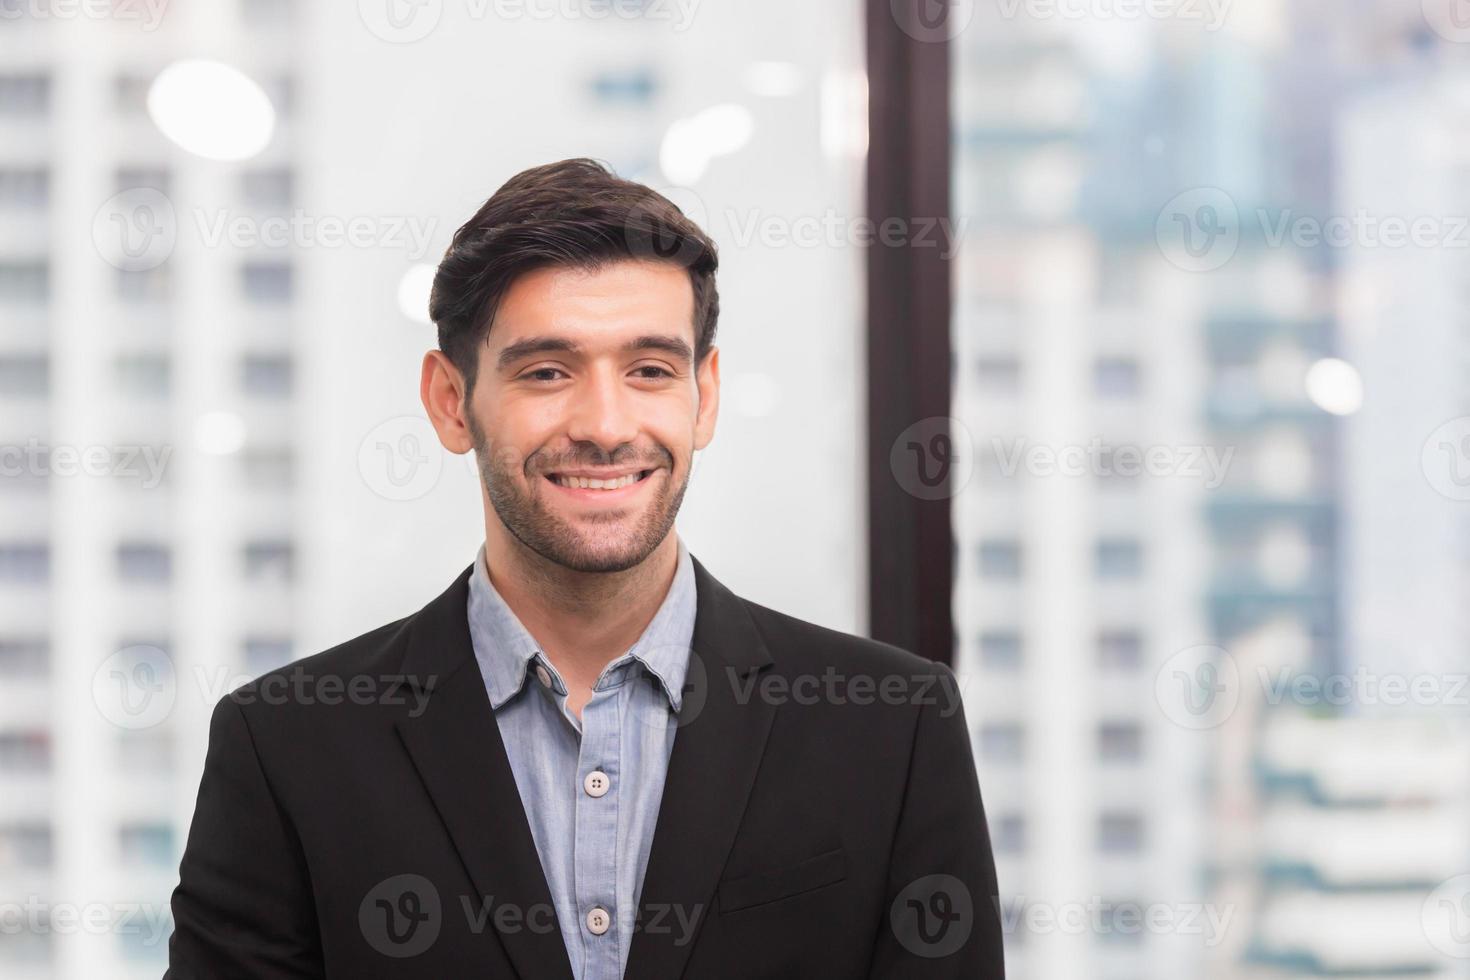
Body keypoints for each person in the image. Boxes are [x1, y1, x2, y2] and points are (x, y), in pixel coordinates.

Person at [166, 158, 1004, 979]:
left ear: (703, 396)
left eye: (649, 370)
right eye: (546, 372)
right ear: (451, 402)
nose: (605, 424)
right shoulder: (285, 749)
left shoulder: (893, 730)